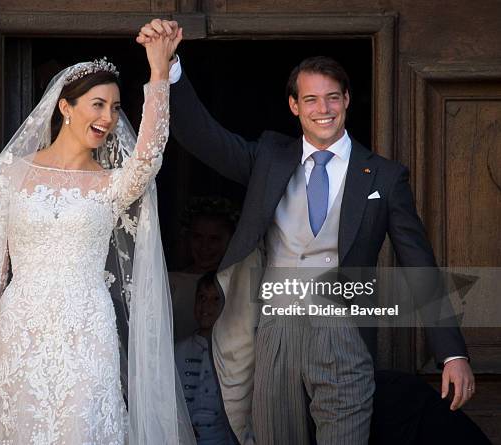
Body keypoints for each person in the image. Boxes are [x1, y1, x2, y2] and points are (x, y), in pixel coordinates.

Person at [137, 20, 475, 445]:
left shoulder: (383, 178)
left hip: (343, 335)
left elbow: (418, 263)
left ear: (347, 100)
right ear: (295, 106)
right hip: (274, 331)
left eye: (333, 97)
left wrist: (452, 353)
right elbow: (204, 138)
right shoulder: (269, 158)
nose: (324, 109)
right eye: (311, 99)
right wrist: (169, 68)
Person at [0, 30, 196, 444]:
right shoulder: (9, 174)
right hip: (19, 331)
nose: (108, 117)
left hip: (88, 330)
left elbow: (150, 153)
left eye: (115, 108)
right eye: (97, 104)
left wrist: (157, 72)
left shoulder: (113, 184)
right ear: (66, 106)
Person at [175, 272, 239, 445]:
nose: (206, 305)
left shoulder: (236, 354)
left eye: (215, 299)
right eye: (202, 297)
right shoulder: (177, 351)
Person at [170, 196, 238, 340]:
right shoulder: (171, 282)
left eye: (214, 239)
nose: (204, 247)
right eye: (198, 237)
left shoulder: (238, 282)